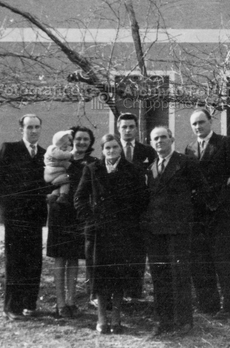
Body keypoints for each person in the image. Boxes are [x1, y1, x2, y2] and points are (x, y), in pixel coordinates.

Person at [75, 134, 148, 334]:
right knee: (100, 275)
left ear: (120, 149)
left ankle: (116, 317)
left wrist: (129, 220)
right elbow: (79, 198)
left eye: (115, 147)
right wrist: (91, 219)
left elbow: (141, 199)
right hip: (99, 231)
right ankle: (101, 317)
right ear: (102, 149)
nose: (111, 151)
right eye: (107, 147)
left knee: (119, 275)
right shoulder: (92, 169)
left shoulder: (132, 170)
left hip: (123, 232)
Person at [0, 114, 52, 321]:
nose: (33, 131)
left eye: (37, 127)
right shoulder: (9, 150)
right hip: (15, 218)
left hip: (35, 217)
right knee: (15, 262)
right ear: (21, 129)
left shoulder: (45, 155)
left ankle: (29, 304)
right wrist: (5, 210)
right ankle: (12, 307)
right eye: (29, 127)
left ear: (40, 129)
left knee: (34, 261)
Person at [143, 126, 208, 336]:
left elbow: (201, 191)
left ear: (172, 139)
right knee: (159, 275)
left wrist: (186, 215)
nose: (160, 141)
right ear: (151, 143)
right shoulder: (151, 167)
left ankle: (183, 321)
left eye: (163, 137)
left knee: (179, 274)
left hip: (179, 228)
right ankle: (164, 320)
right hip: (155, 230)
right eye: (156, 139)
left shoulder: (185, 163)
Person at [184, 108, 230, 317]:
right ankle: (208, 303)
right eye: (194, 124)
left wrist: (223, 200)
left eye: (201, 122)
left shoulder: (225, 142)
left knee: (222, 258)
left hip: (219, 211)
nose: (198, 127)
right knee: (200, 259)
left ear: (210, 121)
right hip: (197, 212)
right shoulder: (190, 148)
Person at [46, 126, 97, 318]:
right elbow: (48, 179)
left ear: (90, 142)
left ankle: (71, 301)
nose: (82, 142)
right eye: (78, 139)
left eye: (86, 139)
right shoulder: (60, 157)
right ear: (71, 140)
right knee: (60, 257)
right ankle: (60, 303)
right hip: (60, 212)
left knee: (74, 257)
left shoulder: (93, 162)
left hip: (78, 214)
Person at [115, 112, 156, 301]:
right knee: (119, 252)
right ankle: (119, 293)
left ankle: (134, 294)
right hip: (118, 211)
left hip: (140, 211)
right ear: (118, 128)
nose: (128, 130)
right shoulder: (112, 149)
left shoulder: (148, 151)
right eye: (124, 127)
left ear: (136, 128)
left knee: (138, 253)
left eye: (131, 126)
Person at [44, 130, 74, 204]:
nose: (65, 148)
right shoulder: (52, 149)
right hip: (53, 173)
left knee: (61, 185)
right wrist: (70, 155)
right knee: (67, 179)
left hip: (56, 174)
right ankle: (63, 196)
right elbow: (60, 155)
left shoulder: (57, 150)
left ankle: (54, 196)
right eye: (64, 146)